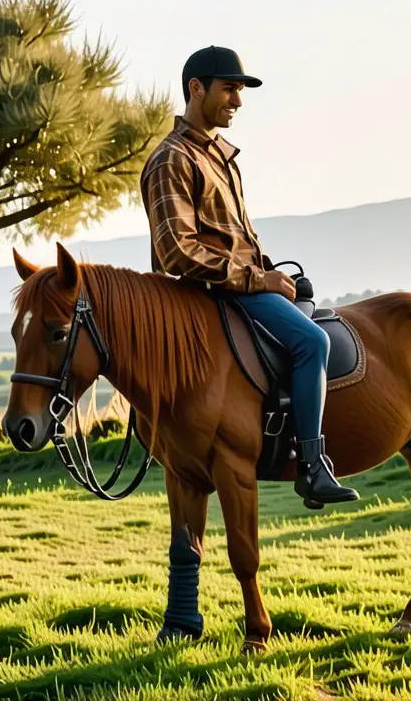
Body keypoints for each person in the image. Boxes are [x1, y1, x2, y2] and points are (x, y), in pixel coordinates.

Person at [139, 45, 359, 508]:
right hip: (213, 292)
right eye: (229, 89)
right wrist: (258, 281)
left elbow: (237, 237)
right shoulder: (171, 159)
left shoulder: (220, 156)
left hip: (242, 283)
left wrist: (271, 270)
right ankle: (312, 466)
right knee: (312, 342)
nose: (238, 101)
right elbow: (177, 252)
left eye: (240, 91)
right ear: (196, 89)